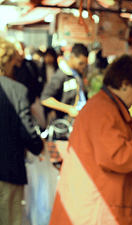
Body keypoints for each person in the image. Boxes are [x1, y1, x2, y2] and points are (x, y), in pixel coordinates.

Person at [49, 55, 132, 225]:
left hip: (92, 200)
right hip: (94, 207)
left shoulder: (105, 105)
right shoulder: (103, 110)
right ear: (124, 85)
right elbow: (115, 156)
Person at [0, 37, 44, 225]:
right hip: (9, 170)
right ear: (8, 62)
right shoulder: (17, 91)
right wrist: (38, 146)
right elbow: (27, 131)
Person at [41, 43, 88, 122]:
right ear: (72, 57)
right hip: (67, 122)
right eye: (80, 63)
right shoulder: (61, 75)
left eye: (85, 64)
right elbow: (45, 98)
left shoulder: (78, 73)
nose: (83, 66)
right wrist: (68, 109)